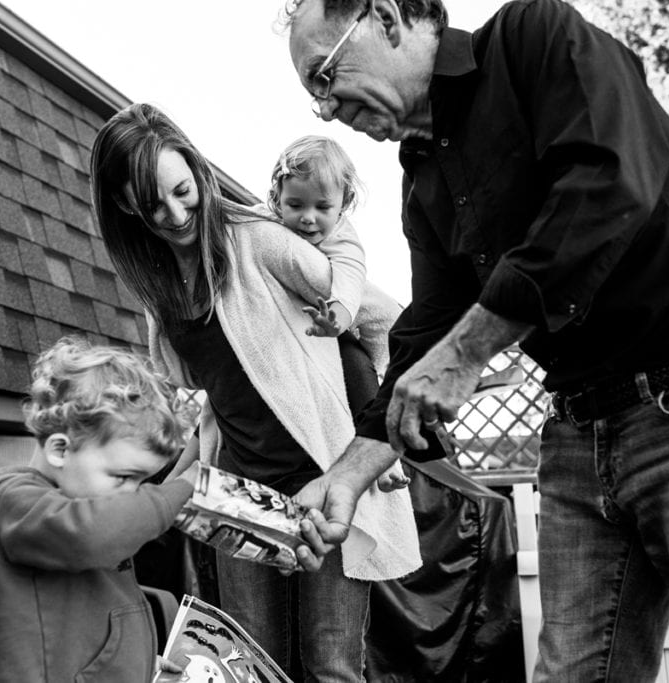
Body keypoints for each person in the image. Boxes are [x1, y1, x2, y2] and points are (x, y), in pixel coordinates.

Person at [283, 0, 669, 680]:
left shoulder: (534, 36)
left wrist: (469, 349)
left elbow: (609, 183)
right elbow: (433, 326)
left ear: (386, 18)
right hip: (578, 431)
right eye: (312, 98)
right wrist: (345, 478)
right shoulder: (422, 175)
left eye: (324, 76)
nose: (325, 110)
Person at [89, 102, 420, 682]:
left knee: (330, 664)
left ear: (197, 169)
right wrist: (156, 497)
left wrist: (379, 437)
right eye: (151, 204)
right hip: (240, 496)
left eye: (182, 190)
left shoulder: (260, 242)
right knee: (247, 665)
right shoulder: (162, 293)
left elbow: (383, 319)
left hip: (325, 483)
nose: (174, 213)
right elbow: (219, 403)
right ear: (123, 206)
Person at [0, 336, 197, 682]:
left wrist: (140, 660)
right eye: (124, 477)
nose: (132, 494)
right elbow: (89, 534)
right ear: (60, 450)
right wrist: (182, 489)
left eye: (141, 481)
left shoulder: (68, 506)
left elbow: (83, 620)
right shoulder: (11, 502)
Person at [266, 134, 409, 491]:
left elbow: (348, 285)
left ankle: (385, 462)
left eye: (322, 208)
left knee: (362, 373)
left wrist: (337, 322)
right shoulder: (269, 224)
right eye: (295, 205)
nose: (308, 218)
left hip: (370, 324)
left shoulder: (343, 238)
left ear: (343, 205)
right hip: (320, 320)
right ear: (277, 200)